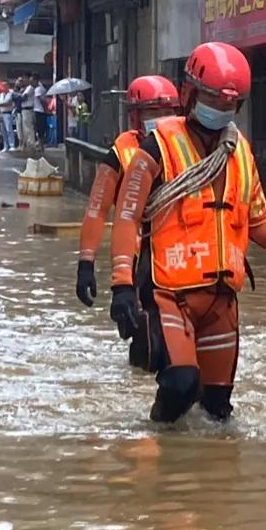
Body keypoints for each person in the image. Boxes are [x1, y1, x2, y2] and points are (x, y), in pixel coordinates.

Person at [107, 42, 266, 424]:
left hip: (222, 298)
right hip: (169, 293)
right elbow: (128, 216)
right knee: (180, 384)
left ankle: (207, 479)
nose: (221, 109)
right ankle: (155, 453)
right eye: (213, 99)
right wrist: (123, 284)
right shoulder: (156, 146)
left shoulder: (239, 150)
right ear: (190, 93)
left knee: (217, 411)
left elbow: (257, 220)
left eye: (230, 104)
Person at [76, 75, 181, 372]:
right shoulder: (121, 152)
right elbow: (97, 209)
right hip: (138, 262)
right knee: (146, 335)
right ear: (136, 115)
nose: (160, 120)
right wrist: (86, 264)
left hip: (182, 255)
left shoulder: (189, 144)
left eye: (167, 112)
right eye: (152, 114)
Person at [0, 83, 17, 151]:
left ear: (8, 86)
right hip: (1, 113)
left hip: (8, 113)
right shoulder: (2, 94)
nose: (3, 87)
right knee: (3, 131)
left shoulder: (11, 93)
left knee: (9, 129)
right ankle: (6, 146)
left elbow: (8, 102)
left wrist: (0, 104)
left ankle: (12, 145)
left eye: (4, 86)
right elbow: (0, 103)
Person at [31, 78, 48, 150]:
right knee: (40, 129)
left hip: (39, 111)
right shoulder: (41, 88)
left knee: (39, 129)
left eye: (32, 81)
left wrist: (45, 107)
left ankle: (41, 146)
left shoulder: (38, 89)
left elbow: (41, 99)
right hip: (40, 111)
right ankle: (41, 145)